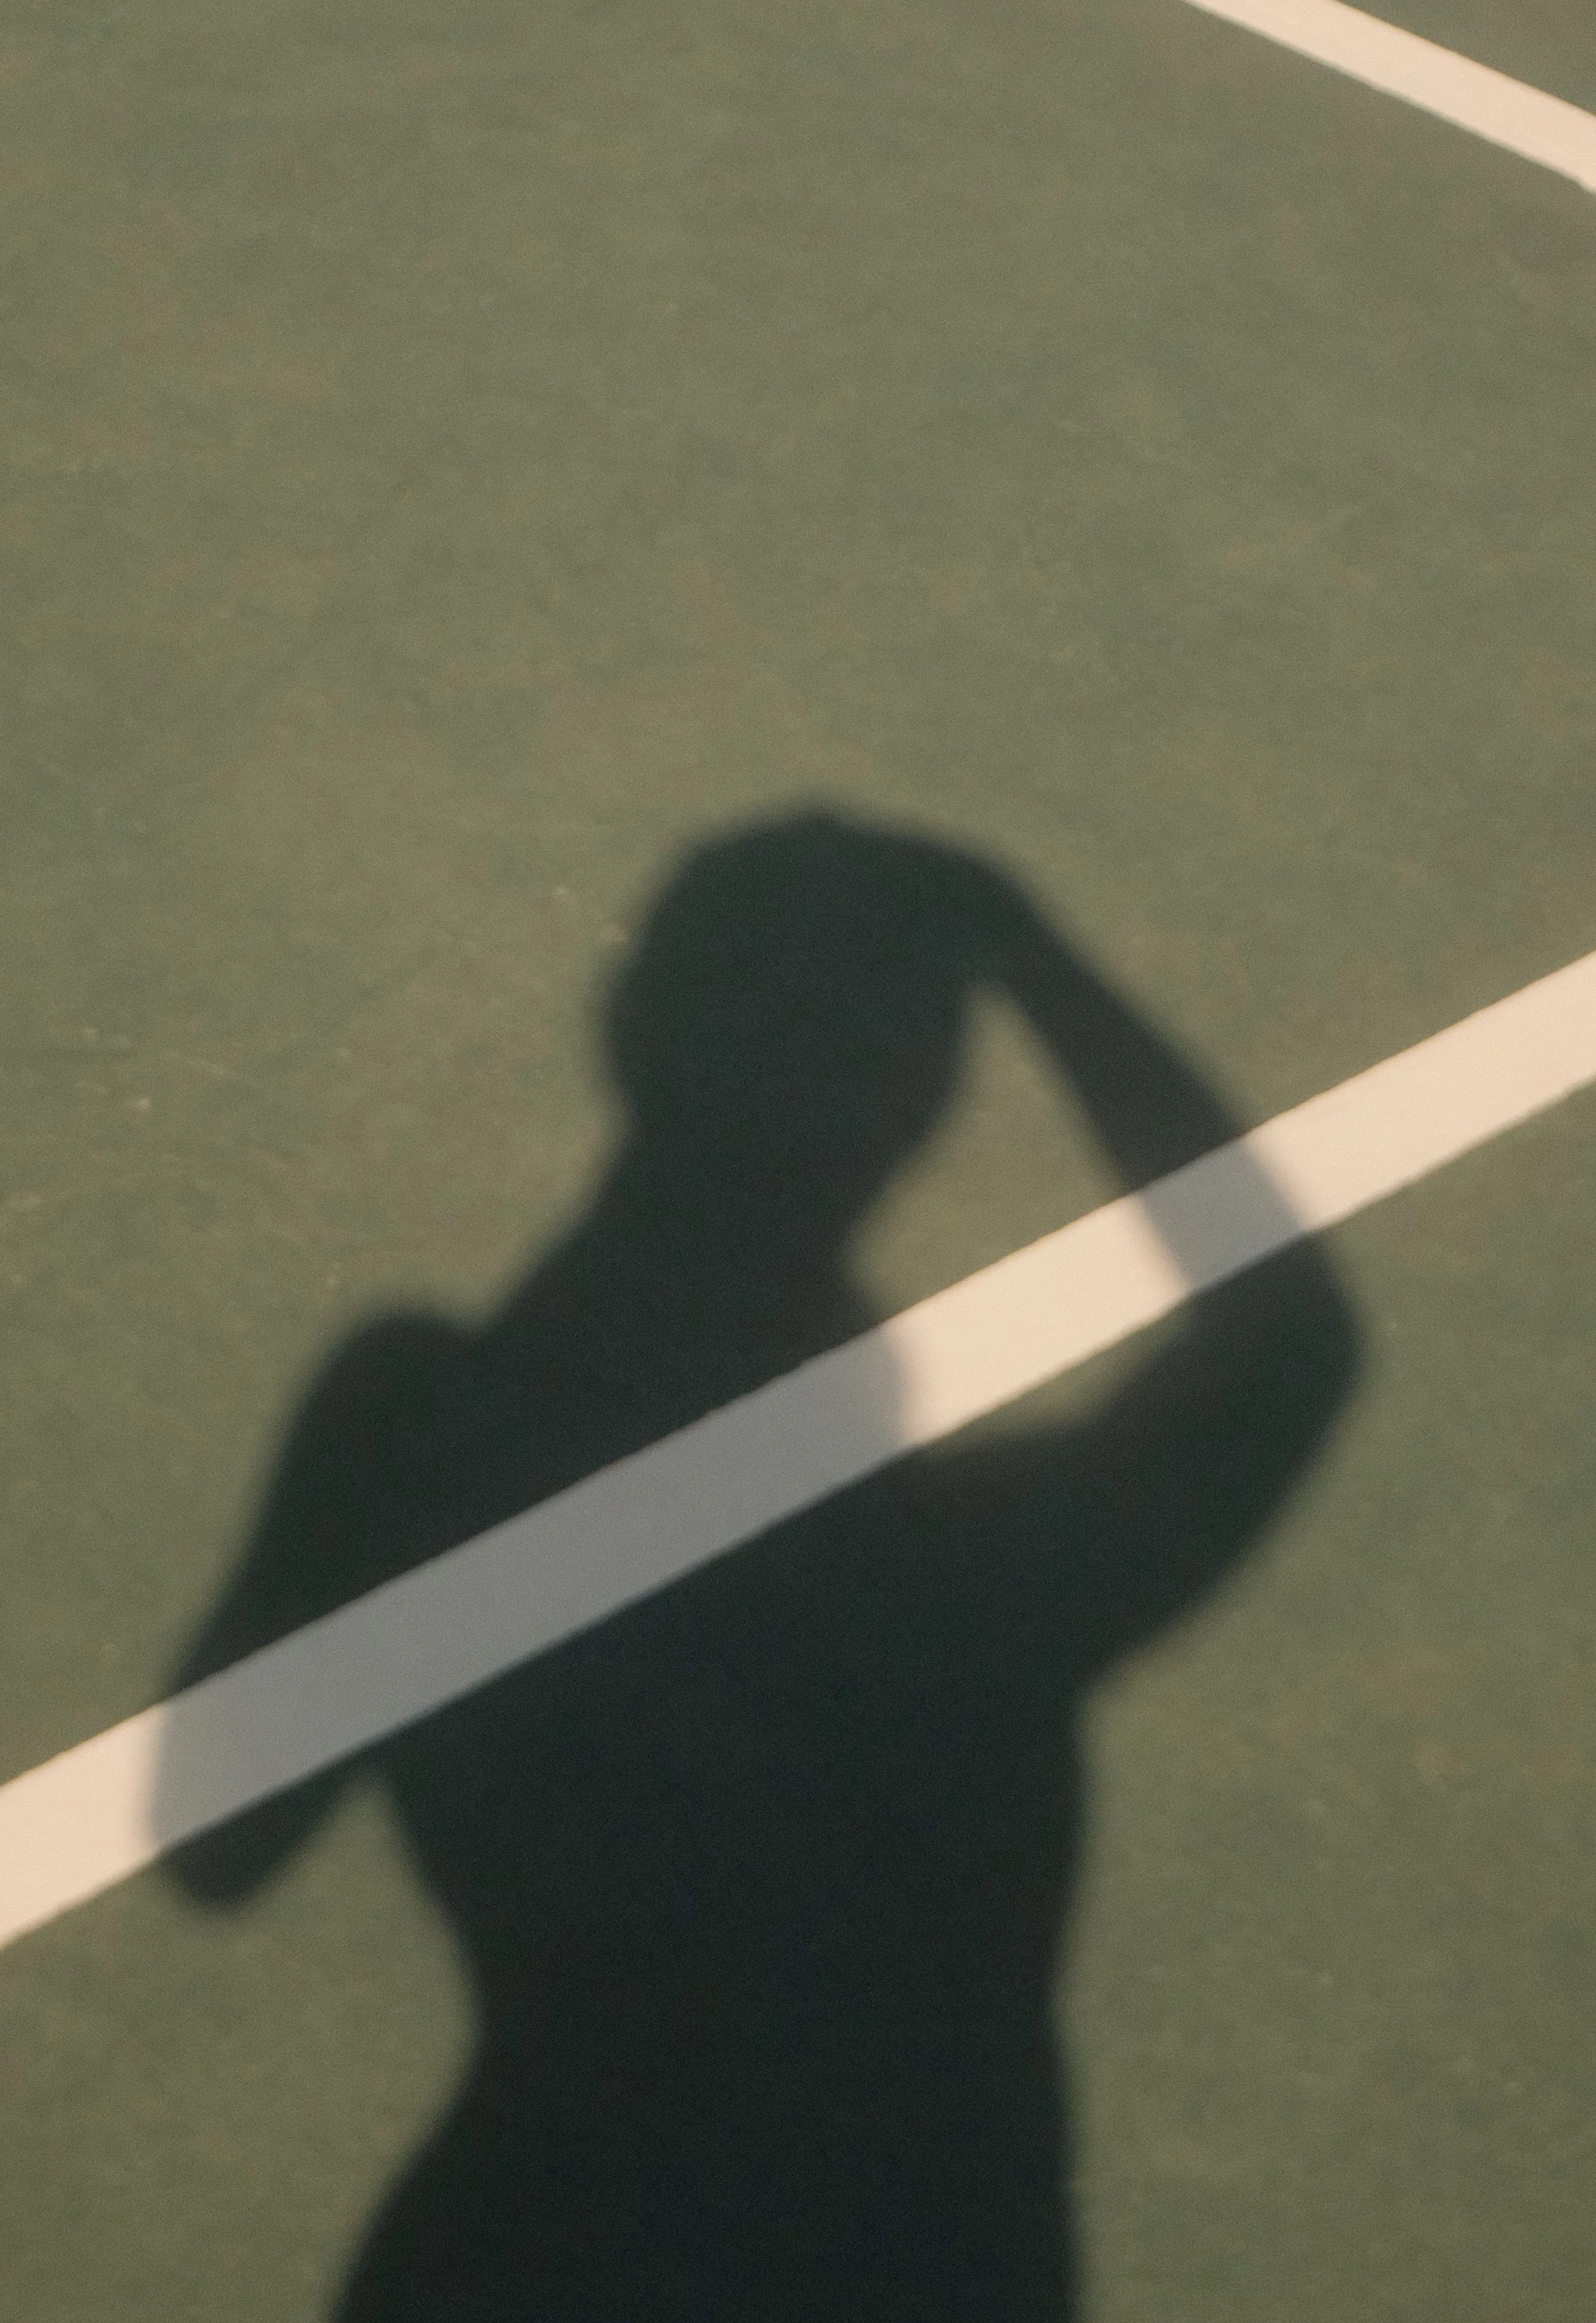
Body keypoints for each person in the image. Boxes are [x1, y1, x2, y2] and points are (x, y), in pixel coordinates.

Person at [169, 811, 1358, 2320]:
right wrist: (1034, 956)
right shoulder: (969, 1574)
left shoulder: (417, 1429)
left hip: (517, 2259)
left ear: (629, 1034)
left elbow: (220, 1842)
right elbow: (1287, 1341)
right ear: (912, 1112)